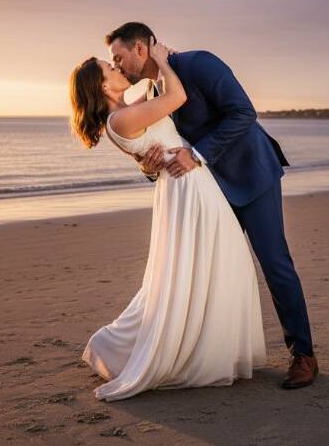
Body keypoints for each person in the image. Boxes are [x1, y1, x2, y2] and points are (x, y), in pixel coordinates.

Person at [107, 22, 317, 389]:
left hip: (251, 175)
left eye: (119, 57)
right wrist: (149, 165)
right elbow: (156, 145)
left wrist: (197, 154)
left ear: (140, 48)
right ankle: (218, 352)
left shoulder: (198, 63)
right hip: (207, 191)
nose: (118, 66)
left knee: (275, 264)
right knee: (214, 270)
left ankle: (303, 354)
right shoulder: (156, 90)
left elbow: (244, 113)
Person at [69, 37, 266, 401]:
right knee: (210, 263)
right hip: (186, 186)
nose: (117, 67)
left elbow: (150, 96)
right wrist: (162, 59)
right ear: (103, 86)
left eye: (115, 61)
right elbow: (177, 98)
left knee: (208, 265)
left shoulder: (123, 113)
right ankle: (179, 350)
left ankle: (194, 344)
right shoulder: (121, 118)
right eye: (110, 68)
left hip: (186, 184)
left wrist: (155, 66)